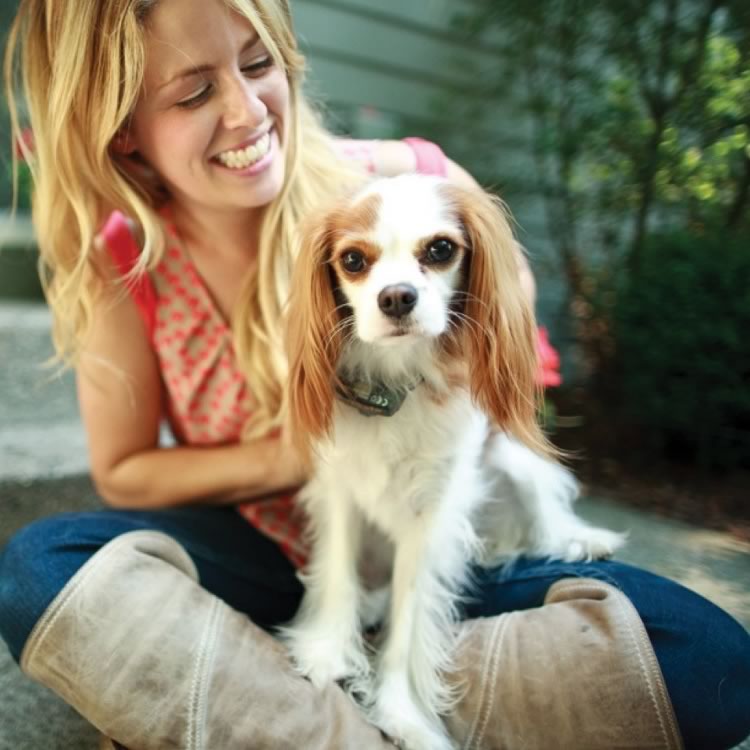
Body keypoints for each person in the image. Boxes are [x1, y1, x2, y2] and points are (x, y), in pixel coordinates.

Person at [0, 1, 748, 748]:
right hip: (265, 551)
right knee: (40, 569)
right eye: (193, 93)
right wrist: (314, 446)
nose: (245, 110)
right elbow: (127, 474)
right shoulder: (126, 261)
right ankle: (367, 716)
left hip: (444, 545)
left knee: (709, 660)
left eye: (259, 64)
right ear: (123, 127)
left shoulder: (403, 181)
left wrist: (462, 363)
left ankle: (268, 695)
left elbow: (507, 314)